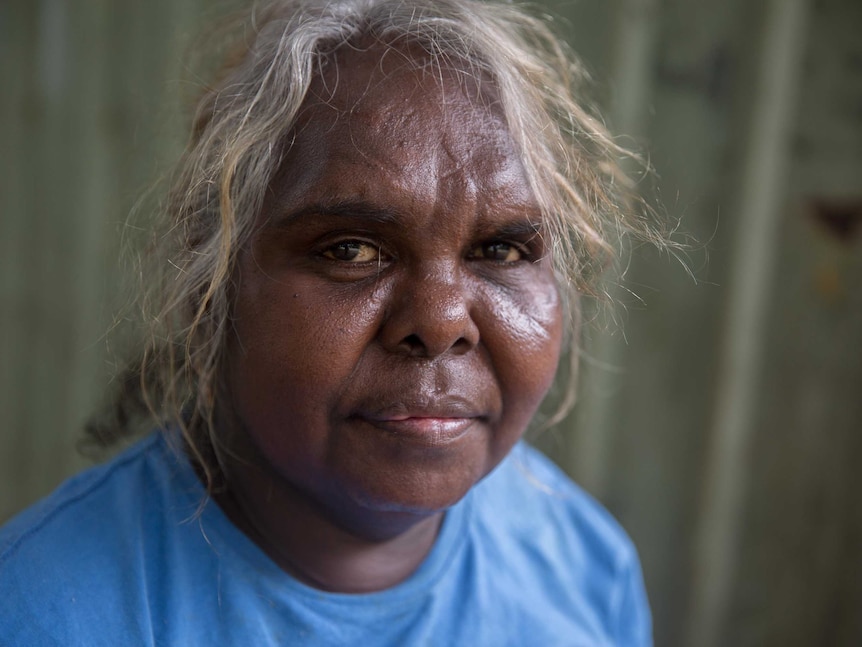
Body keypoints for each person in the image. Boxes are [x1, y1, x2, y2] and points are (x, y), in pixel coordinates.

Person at [0, 0, 663, 644]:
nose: (438, 322)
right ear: (214, 282)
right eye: (350, 250)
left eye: (501, 250)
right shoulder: (45, 610)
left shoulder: (582, 568)